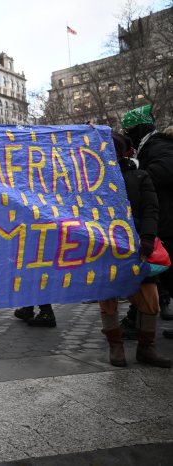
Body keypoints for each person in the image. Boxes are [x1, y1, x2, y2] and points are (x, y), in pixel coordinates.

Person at [98, 132, 170, 368]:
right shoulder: (93, 180)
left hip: (137, 247)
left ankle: (146, 348)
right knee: (108, 299)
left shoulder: (140, 176)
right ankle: (115, 346)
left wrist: (148, 238)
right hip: (106, 250)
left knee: (150, 300)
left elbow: (151, 209)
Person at [123, 105, 173, 321]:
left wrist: (138, 177)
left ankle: (143, 316)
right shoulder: (151, 146)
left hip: (164, 218)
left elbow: (165, 169)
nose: (129, 136)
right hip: (159, 217)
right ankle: (140, 317)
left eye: (131, 131)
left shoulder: (158, 146)